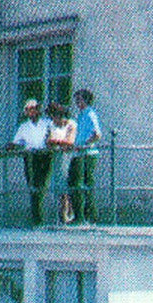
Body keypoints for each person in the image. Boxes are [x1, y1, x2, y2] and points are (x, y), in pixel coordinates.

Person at [10, 99, 53, 225]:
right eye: (29, 110)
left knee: (42, 185)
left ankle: (40, 218)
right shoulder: (24, 126)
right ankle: (37, 220)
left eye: (34, 109)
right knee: (33, 187)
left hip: (44, 155)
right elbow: (17, 142)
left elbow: (54, 136)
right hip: (31, 157)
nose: (33, 112)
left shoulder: (47, 123)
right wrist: (12, 145)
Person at [68, 89, 103, 223]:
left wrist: (85, 144)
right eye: (76, 100)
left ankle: (88, 216)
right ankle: (80, 215)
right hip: (79, 153)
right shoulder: (81, 115)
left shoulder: (90, 114)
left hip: (87, 154)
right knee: (75, 183)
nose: (77, 102)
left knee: (84, 184)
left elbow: (97, 134)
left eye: (79, 100)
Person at [45, 102, 77, 224]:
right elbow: (48, 141)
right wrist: (58, 142)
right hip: (57, 158)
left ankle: (70, 213)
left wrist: (56, 142)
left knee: (67, 184)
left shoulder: (71, 124)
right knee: (59, 186)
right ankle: (62, 214)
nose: (53, 119)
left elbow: (70, 142)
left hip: (68, 158)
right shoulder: (52, 126)